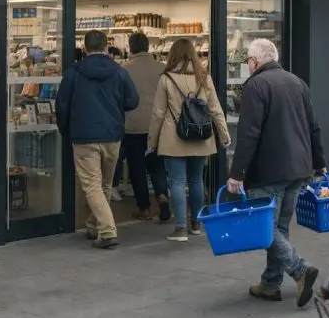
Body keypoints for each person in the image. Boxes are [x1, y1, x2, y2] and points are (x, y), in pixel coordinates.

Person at [226, 39, 324, 307]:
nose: (248, 65)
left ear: (255, 61)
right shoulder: (297, 82)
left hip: (269, 170)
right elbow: (313, 126)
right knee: (279, 227)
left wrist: (237, 173)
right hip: (299, 168)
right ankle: (270, 283)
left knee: (264, 227)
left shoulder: (256, 85)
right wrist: (319, 163)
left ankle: (299, 269)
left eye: (248, 60)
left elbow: (249, 133)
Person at [56, 30, 139, 249]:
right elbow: (133, 100)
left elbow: (62, 105)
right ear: (106, 47)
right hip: (112, 135)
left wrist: (66, 130)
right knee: (104, 184)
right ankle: (94, 225)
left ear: (85, 48)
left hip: (84, 136)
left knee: (92, 185)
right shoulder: (120, 72)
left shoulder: (73, 73)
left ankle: (108, 230)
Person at [149, 37, 231, 242]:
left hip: (173, 137)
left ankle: (180, 228)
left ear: (173, 54)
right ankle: (196, 223)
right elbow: (215, 109)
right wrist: (224, 135)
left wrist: (152, 141)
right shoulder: (204, 77)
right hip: (201, 136)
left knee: (176, 181)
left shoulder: (166, 79)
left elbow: (158, 113)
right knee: (196, 179)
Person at [122, 32, 170, 221]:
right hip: (156, 125)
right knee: (157, 165)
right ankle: (162, 196)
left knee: (137, 168)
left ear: (130, 47)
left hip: (132, 125)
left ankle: (144, 208)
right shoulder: (162, 68)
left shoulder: (124, 70)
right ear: (148, 47)